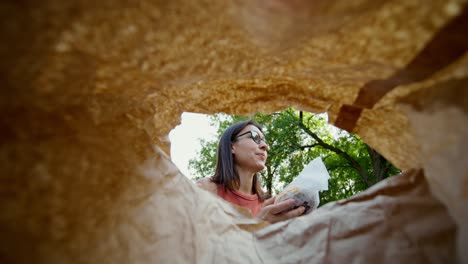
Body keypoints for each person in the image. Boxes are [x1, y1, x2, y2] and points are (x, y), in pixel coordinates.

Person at [197, 120, 305, 223]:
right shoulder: (205, 190)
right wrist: (258, 225)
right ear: (232, 147)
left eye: (264, 141)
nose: (265, 146)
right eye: (255, 137)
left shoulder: (271, 204)